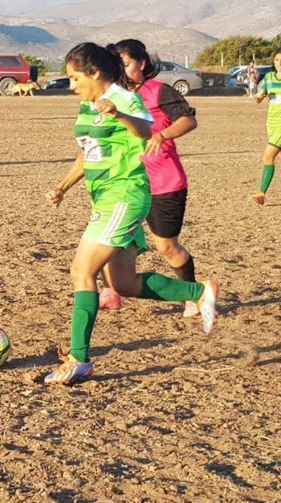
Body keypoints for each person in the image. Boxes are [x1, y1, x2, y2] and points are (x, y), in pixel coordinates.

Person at [43, 42, 218, 385]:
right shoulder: (87, 105)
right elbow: (88, 153)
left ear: (95, 73)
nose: (73, 85)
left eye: (75, 78)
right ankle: (199, 293)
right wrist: (63, 186)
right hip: (104, 196)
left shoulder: (124, 98)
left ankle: (79, 358)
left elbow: (145, 129)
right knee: (123, 283)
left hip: (124, 194)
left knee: (81, 270)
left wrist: (119, 114)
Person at [97, 39, 200, 318]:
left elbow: (188, 120)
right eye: (118, 65)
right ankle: (111, 293)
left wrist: (161, 134)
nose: (123, 70)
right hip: (127, 183)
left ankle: (193, 295)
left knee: (166, 247)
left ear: (142, 63)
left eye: (127, 64)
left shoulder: (158, 92)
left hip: (164, 183)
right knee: (111, 238)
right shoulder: (112, 98)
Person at [252, 48, 281, 205]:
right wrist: (259, 96)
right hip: (271, 123)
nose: (280, 63)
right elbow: (258, 98)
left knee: (268, 156)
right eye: (277, 60)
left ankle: (261, 193)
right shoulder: (269, 78)